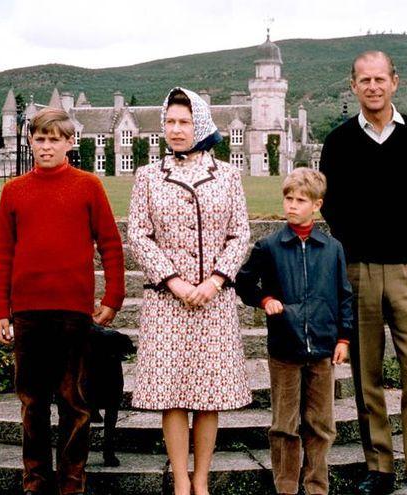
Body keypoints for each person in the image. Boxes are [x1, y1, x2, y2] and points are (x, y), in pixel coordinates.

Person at [318, 51, 407, 495]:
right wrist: (364, 234)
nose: (373, 86)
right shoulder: (338, 143)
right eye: (364, 80)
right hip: (358, 269)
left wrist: (388, 225)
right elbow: (333, 207)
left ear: (395, 82)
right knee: (366, 373)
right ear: (353, 86)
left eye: (380, 79)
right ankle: (379, 468)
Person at [0, 107, 126, 495]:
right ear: (30, 141)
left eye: (54, 139)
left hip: (73, 311)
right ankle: (35, 480)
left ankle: (71, 481)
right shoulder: (13, 191)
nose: (46, 146)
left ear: (70, 143)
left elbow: (111, 245)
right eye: (39, 138)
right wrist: (0, 310)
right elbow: (3, 254)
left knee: (74, 401)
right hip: (29, 312)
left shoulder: (88, 186)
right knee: (32, 402)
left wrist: (113, 296)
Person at [127, 87, 251, 495]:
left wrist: (215, 280)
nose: (176, 130)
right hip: (167, 301)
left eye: (183, 122)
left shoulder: (228, 176)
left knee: (209, 393)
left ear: (199, 123)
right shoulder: (147, 176)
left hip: (214, 301)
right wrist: (175, 282)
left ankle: (202, 481)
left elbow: (239, 234)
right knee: (173, 394)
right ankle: (181, 480)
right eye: (170, 122)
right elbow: (139, 236)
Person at [235, 168, 353, 495]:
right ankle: (285, 487)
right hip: (284, 351)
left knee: (321, 425)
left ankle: (317, 487)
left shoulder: (333, 249)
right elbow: (243, 283)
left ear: (316, 205)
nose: (292, 205)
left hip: (322, 352)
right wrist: (265, 299)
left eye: (300, 200)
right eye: (288, 198)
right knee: (285, 426)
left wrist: (344, 338)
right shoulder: (269, 246)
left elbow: (344, 295)